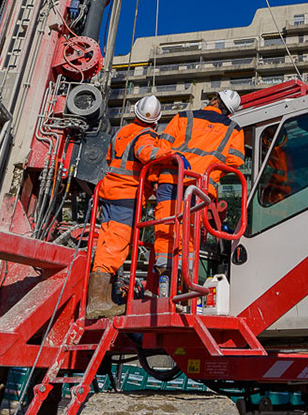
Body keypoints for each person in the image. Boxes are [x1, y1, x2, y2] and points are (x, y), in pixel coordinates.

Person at [87, 95, 168, 319]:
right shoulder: (146, 135)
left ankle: (102, 300)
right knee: (116, 246)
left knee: (106, 242)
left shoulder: (122, 132)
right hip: (126, 195)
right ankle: (97, 303)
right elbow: (146, 153)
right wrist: (171, 154)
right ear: (155, 120)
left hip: (110, 191)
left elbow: (109, 158)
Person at [152, 89, 246, 276]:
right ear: (229, 111)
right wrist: (211, 168)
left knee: (165, 225)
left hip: (171, 179)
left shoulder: (183, 117)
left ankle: (164, 270)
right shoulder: (234, 129)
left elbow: (162, 148)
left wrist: (154, 178)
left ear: (215, 100)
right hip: (200, 186)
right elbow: (236, 161)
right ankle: (185, 277)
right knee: (190, 229)